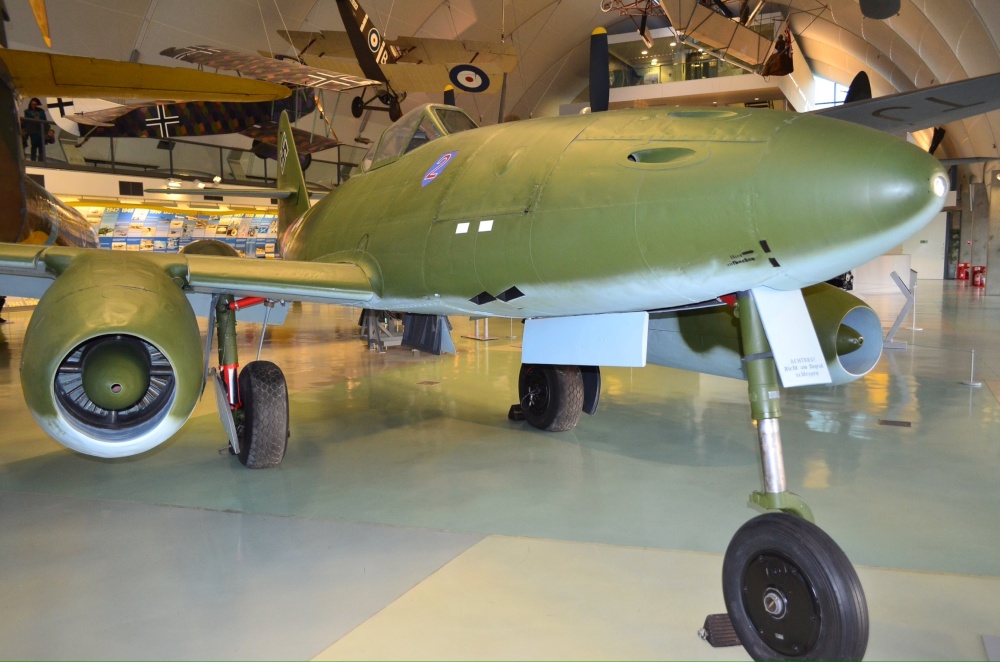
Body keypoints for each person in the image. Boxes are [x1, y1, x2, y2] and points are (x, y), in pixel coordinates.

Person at [24, 98, 47, 162]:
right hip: (33, 131)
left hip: (41, 130)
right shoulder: (27, 111)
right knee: (34, 145)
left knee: (41, 146)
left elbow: (44, 119)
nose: (33, 106)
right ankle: (33, 160)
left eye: (35, 104)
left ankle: (41, 161)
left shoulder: (41, 111)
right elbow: (27, 120)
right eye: (32, 104)